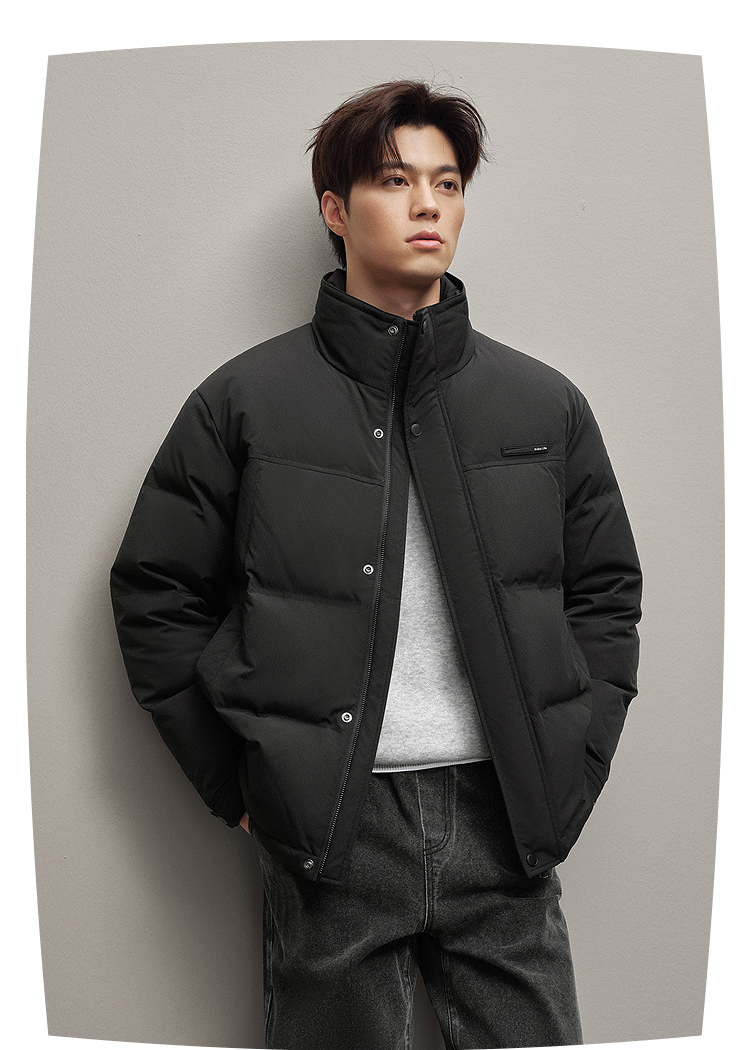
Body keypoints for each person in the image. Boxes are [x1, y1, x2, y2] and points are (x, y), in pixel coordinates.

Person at [110, 79, 642, 1050]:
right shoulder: (247, 402)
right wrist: (244, 789)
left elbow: (606, 595)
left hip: (505, 821)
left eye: (447, 181)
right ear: (335, 208)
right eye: (395, 180)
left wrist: (570, 766)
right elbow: (156, 591)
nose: (427, 203)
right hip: (334, 832)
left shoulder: (543, 406)